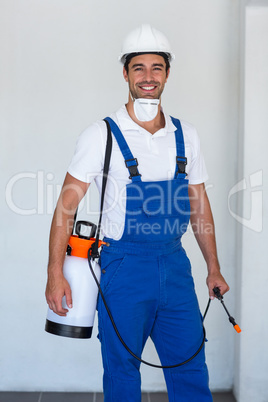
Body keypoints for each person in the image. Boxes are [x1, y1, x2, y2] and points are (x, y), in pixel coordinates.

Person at [45, 24, 229, 402]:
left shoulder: (186, 135)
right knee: (122, 370)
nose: (148, 77)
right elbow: (66, 206)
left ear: (167, 74)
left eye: (156, 67)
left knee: (191, 367)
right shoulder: (102, 135)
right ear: (125, 73)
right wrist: (54, 273)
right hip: (123, 267)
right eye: (139, 68)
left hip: (176, 267)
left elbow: (199, 204)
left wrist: (213, 266)